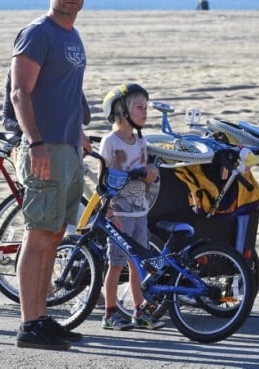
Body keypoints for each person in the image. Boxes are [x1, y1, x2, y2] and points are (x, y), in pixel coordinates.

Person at [11, 0, 88, 351]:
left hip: (68, 148)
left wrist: (80, 135)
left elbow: (67, 94)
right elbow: (20, 93)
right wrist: (36, 141)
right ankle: (28, 323)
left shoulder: (73, 36)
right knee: (38, 234)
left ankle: (42, 317)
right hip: (45, 148)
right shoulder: (38, 33)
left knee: (55, 234)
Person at [99, 83, 166, 331]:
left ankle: (139, 310)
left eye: (146, 107)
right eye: (139, 107)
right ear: (122, 111)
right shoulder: (111, 141)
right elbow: (103, 180)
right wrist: (108, 211)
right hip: (120, 212)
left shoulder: (140, 141)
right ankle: (110, 312)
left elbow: (148, 172)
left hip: (139, 211)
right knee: (116, 264)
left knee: (138, 264)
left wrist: (152, 173)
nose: (144, 111)